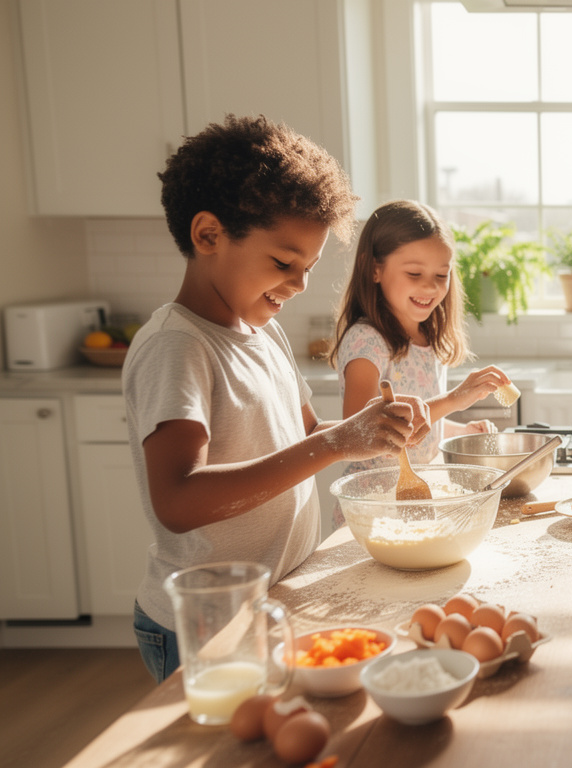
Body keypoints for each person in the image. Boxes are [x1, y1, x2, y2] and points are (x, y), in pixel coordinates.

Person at [124, 115, 428, 683]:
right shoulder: (177, 346)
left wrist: (369, 431)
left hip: (274, 598)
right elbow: (178, 501)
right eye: (284, 263)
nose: (300, 283)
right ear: (208, 236)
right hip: (205, 623)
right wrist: (339, 443)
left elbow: (307, 433)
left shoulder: (264, 333)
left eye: (308, 268)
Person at [328, 201, 514, 526]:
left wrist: (458, 430)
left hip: (417, 499)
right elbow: (359, 431)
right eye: (414, 273)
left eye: (441, 275)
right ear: (374, 269)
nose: (430, 286)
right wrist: (454, 399)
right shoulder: (366, 341)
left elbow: (417, 429)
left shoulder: (428, 340)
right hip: (373, 506)